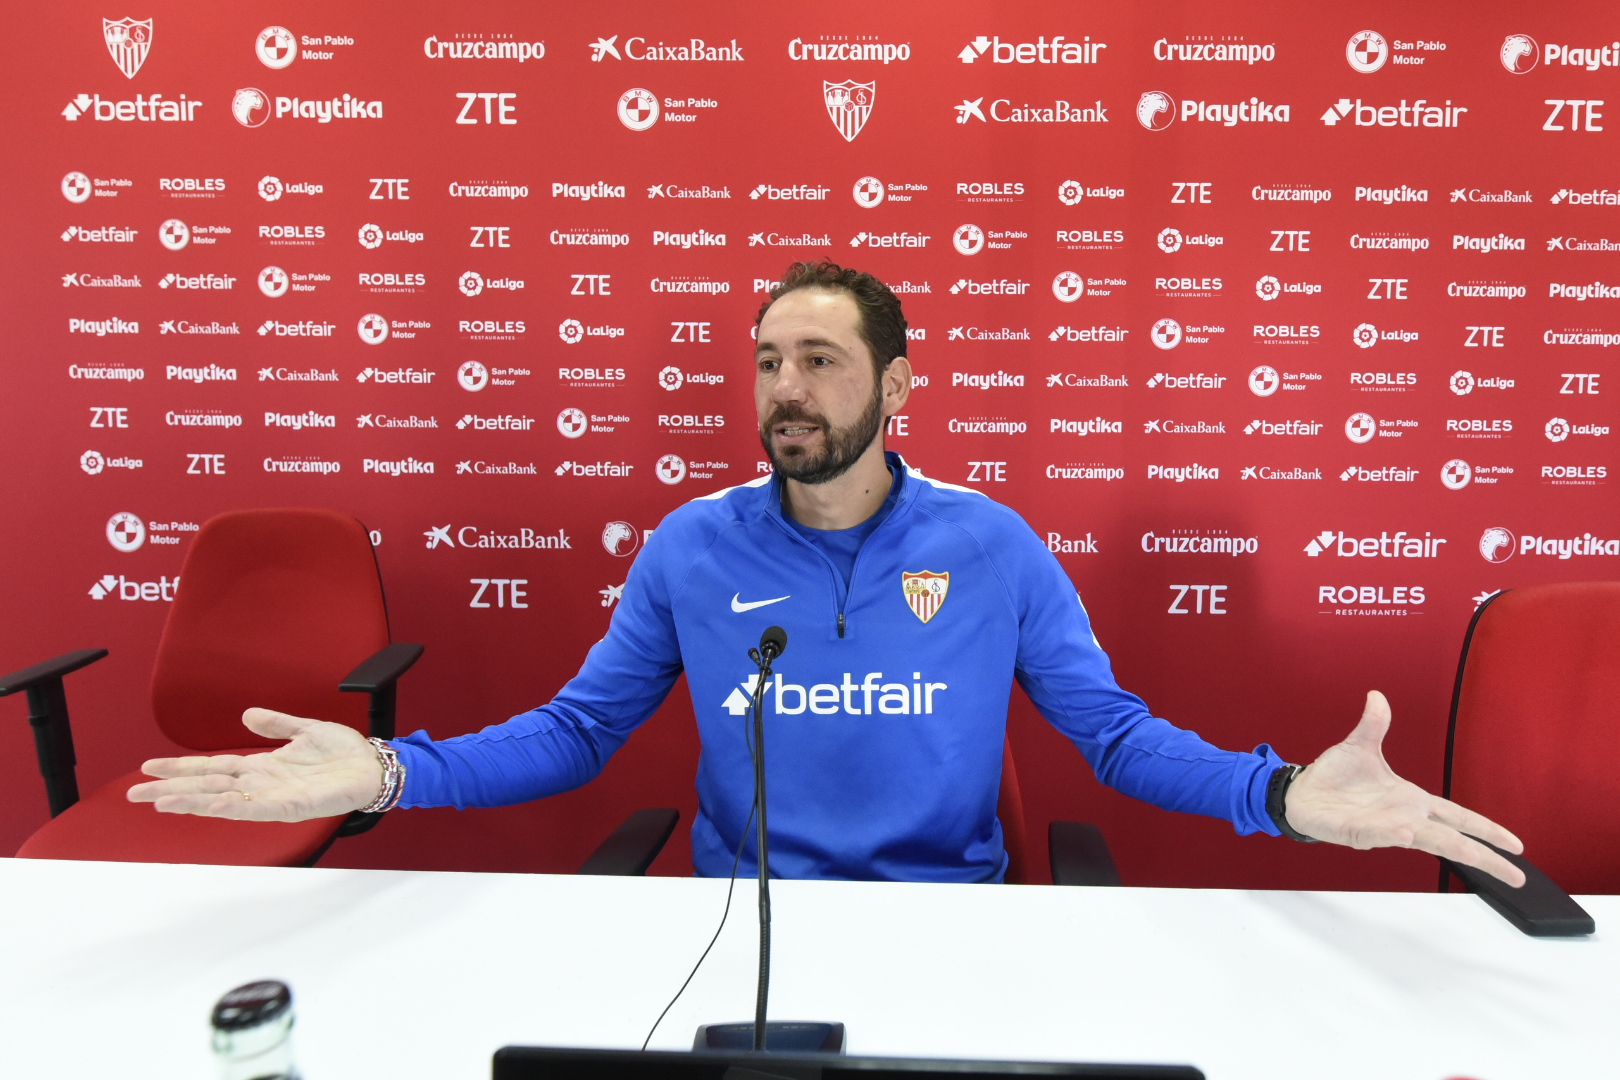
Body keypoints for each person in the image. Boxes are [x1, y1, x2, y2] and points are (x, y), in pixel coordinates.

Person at [129, 261, 1526, 887]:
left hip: (948, 926)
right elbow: (573, 734)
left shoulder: (993, 545)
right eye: (766, 360)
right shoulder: (693, 545)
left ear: (897, 383)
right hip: (748, 923)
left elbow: (1112, 738)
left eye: (821, 359)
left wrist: (1280, 795)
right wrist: (385, 775)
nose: (784, 388)